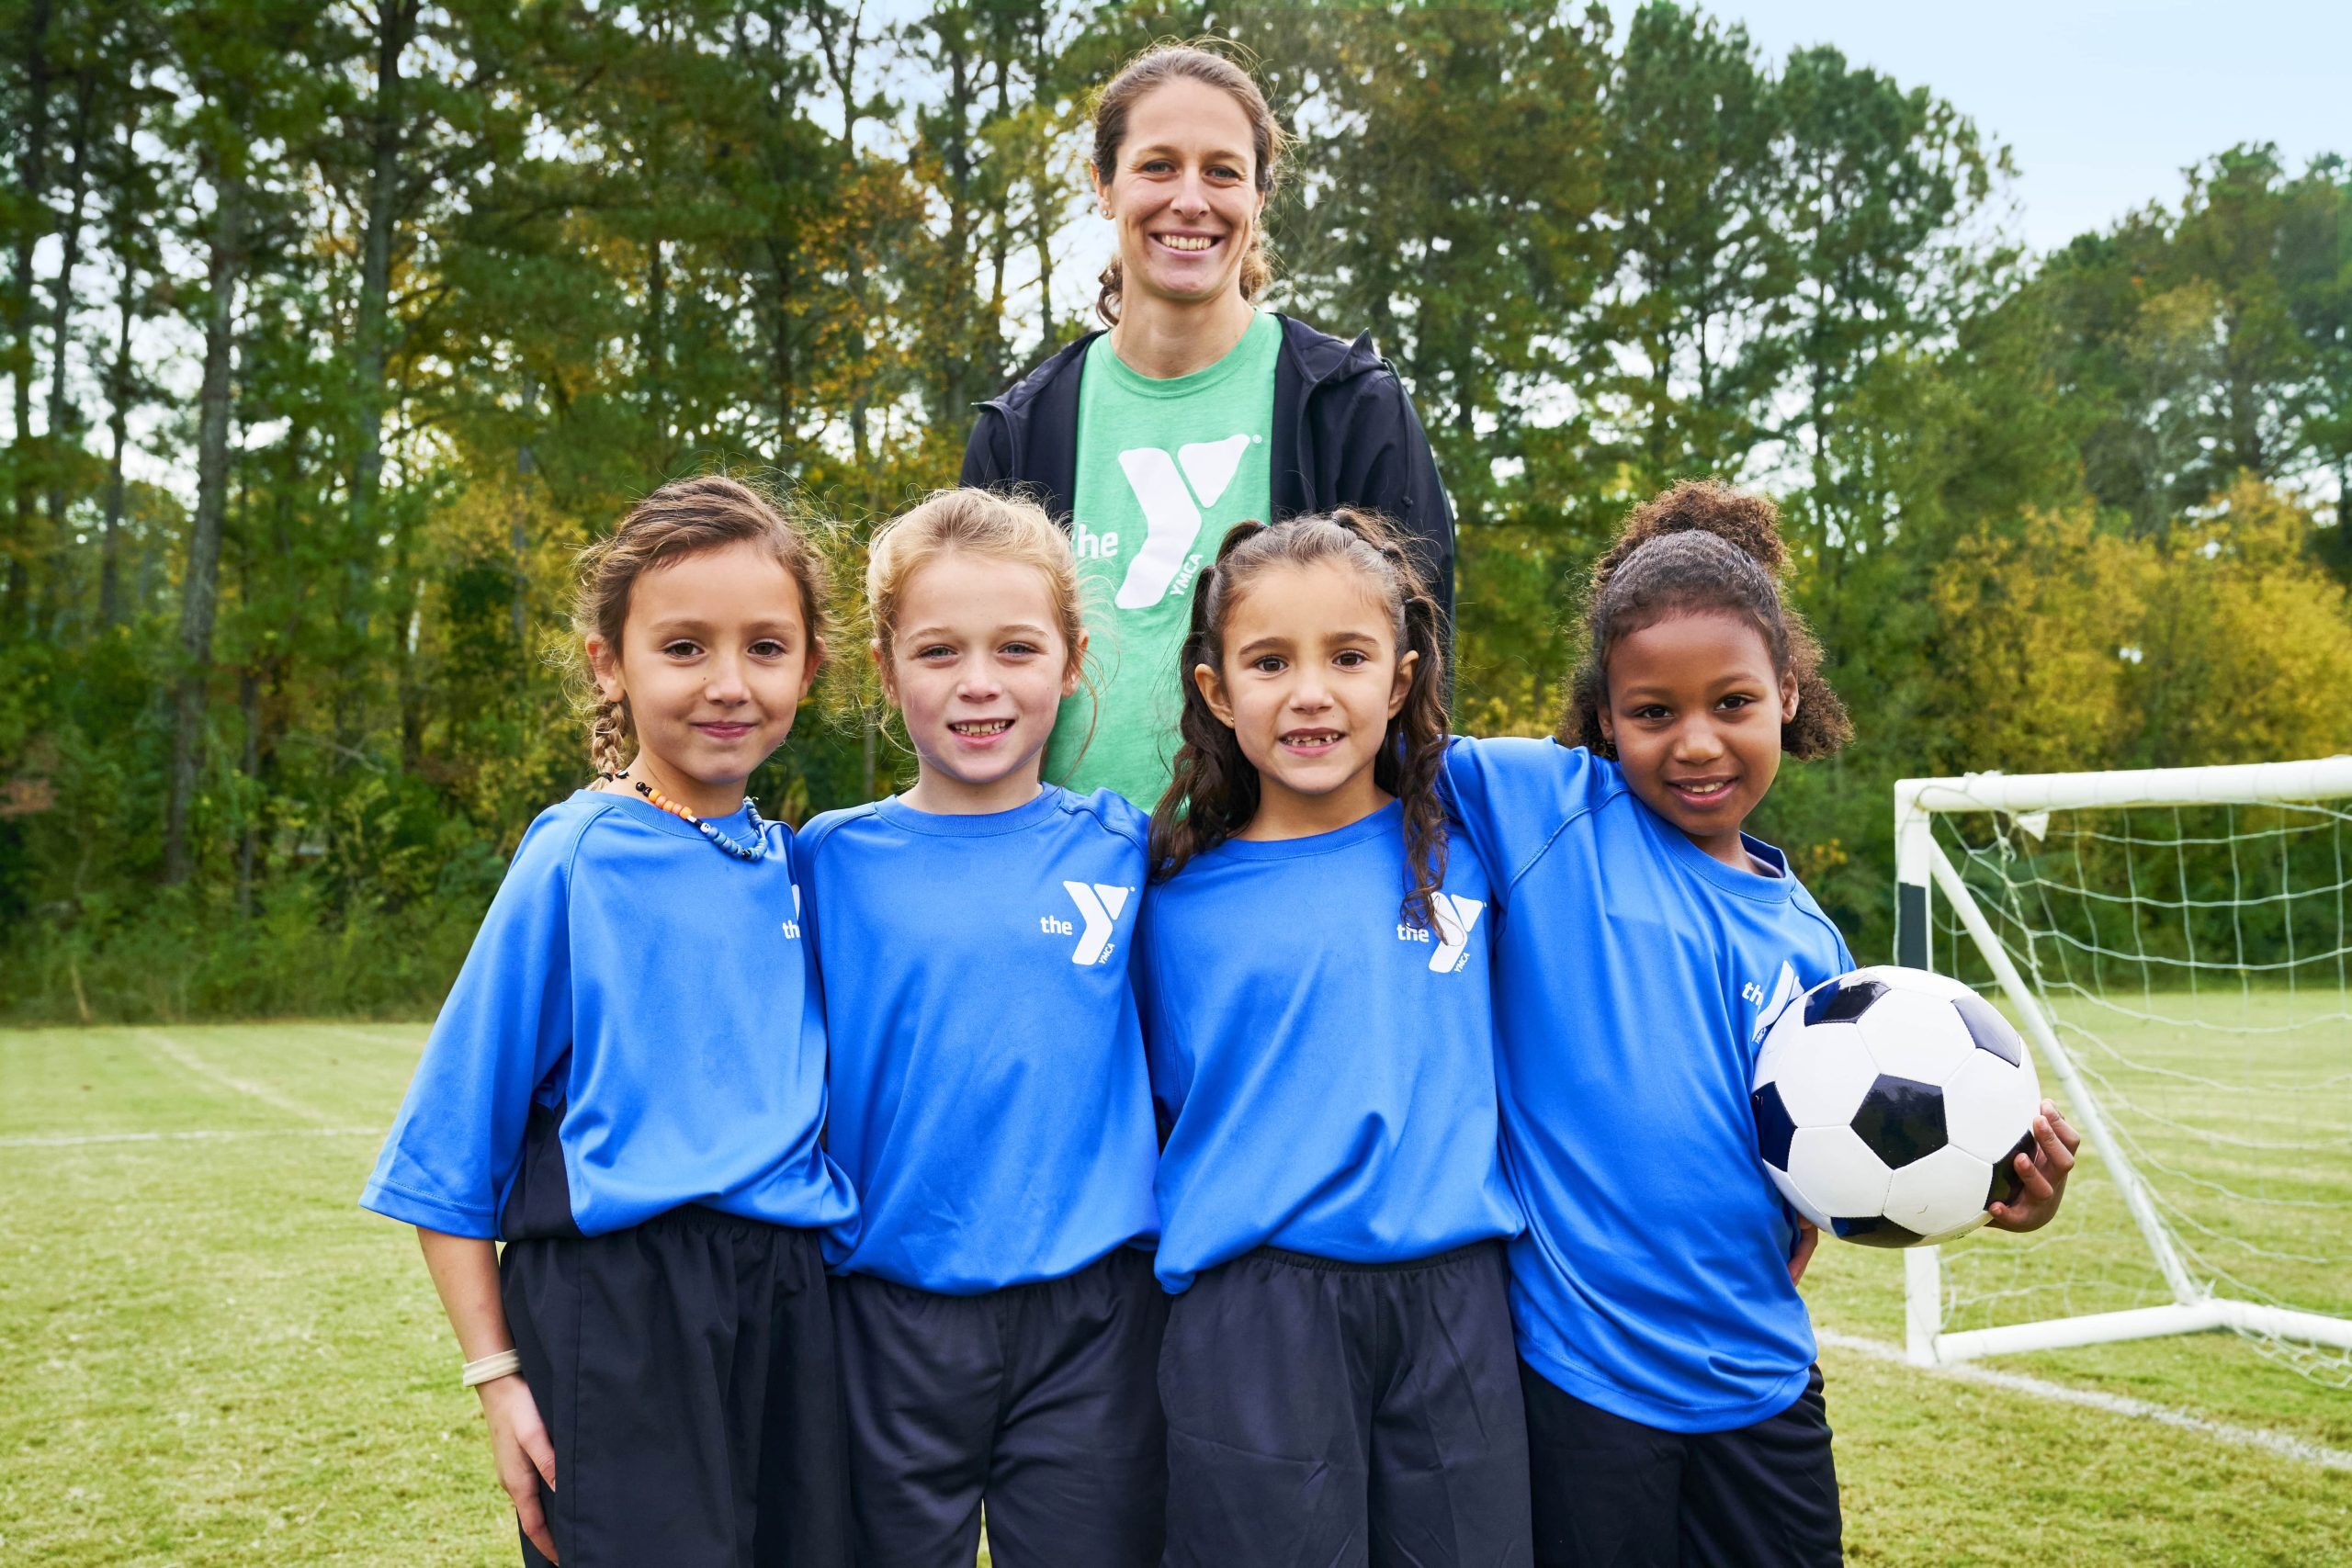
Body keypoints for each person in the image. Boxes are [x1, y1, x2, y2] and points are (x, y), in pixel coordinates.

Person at [1442, 480, 2081, 1567]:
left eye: (1731, 703)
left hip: (1762, 1381)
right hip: (1579, 1382)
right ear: (1603, 715)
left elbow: (1816, 1187)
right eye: (1653, 713)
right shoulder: (1543, 811)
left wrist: (1986, 1179)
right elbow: (1364, 748)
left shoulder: (1819, 952)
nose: (1695, 743)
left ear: (1787, 693)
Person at [357, 476, 857, 1567]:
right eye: (683, 648)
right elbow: (449, 1151)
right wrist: (497, 1382)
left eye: (765, 648)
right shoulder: (577, 857)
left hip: (790, 1301)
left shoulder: (799, 865)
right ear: (608, 663)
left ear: (808, 669)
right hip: (621, 1308)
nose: (728, 684)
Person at [1137, 511, 1531, 1568]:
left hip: (1456, 1303)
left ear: (1399, 682)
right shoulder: (1170, 903)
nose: (1310, 692)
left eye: (1347, 657)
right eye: (1270, 661)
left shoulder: (1471, 853)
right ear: (1218, 691)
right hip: (1256, 1316)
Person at [798, 489, 1165, 1567]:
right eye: (938, 651)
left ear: (1070, 659)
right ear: (884, 667)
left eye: (1015, 648)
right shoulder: (824, 861)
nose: (978, 684)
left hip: (1092, 1325)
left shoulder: (1129, 850)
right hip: (886, 1319)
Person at [961, 41, 1453, 807]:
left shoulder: (1350, 406)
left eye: (1222, 170)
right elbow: (971, 674)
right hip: (1062, 883)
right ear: (1103, 184)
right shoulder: (1020, 431)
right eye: (1158, 165)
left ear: (1259, 194)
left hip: (1276, 872)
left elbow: (1416, 673)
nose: (1190, 199)